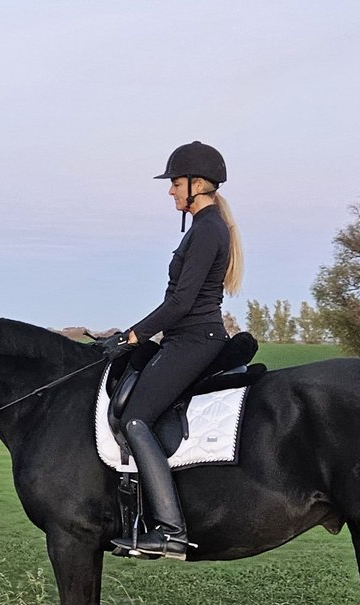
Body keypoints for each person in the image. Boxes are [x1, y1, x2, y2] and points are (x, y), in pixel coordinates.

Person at [99, 141, 244, 561]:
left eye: (176, 183)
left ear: (197, 185)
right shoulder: (206, 227)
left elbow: (181, 303)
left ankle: (170, 531)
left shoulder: (207, 230)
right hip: (185, 338)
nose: (170, 191)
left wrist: (132, 336)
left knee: (135, 419)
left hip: (196, 339)